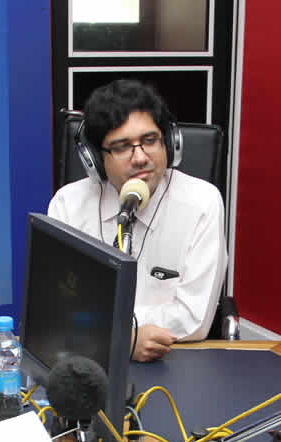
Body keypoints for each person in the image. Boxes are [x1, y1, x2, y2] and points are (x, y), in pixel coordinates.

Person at [48, 79, 226, 362]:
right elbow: (57, 307)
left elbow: (194, 318)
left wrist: (107, 329)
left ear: (169, 142)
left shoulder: (201, 203)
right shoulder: (68, 204)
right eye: (121, 147)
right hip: (88, 358)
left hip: (170, 358)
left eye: (150, 140)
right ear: (95, 158)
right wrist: (121, 339)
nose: (141, 158)